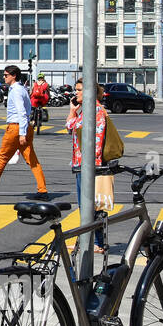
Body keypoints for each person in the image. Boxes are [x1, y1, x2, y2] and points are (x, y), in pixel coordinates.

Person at [0, 65, 48, 199]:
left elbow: (22, 112)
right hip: (23, 127)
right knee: (32, 160)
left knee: (2, 157)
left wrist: (22, 133)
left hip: (16, 128)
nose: (4, 77)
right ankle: (42, 190)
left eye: (6, 75)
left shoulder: (16, 91)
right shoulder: (21, 89)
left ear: (14, 76)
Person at [66, 80, 108, 252]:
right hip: (81, 165)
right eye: (76, 90)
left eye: (79, 90)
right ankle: (91, 242)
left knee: (91, 207)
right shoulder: (86, 111)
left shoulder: (96, 111)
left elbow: (96, 142)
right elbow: (70, 127)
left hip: (89, 166)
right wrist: (72, 111)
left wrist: (90, 166)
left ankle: (97, 243)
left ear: (89, 91)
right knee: (87, 207)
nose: (76, 93)